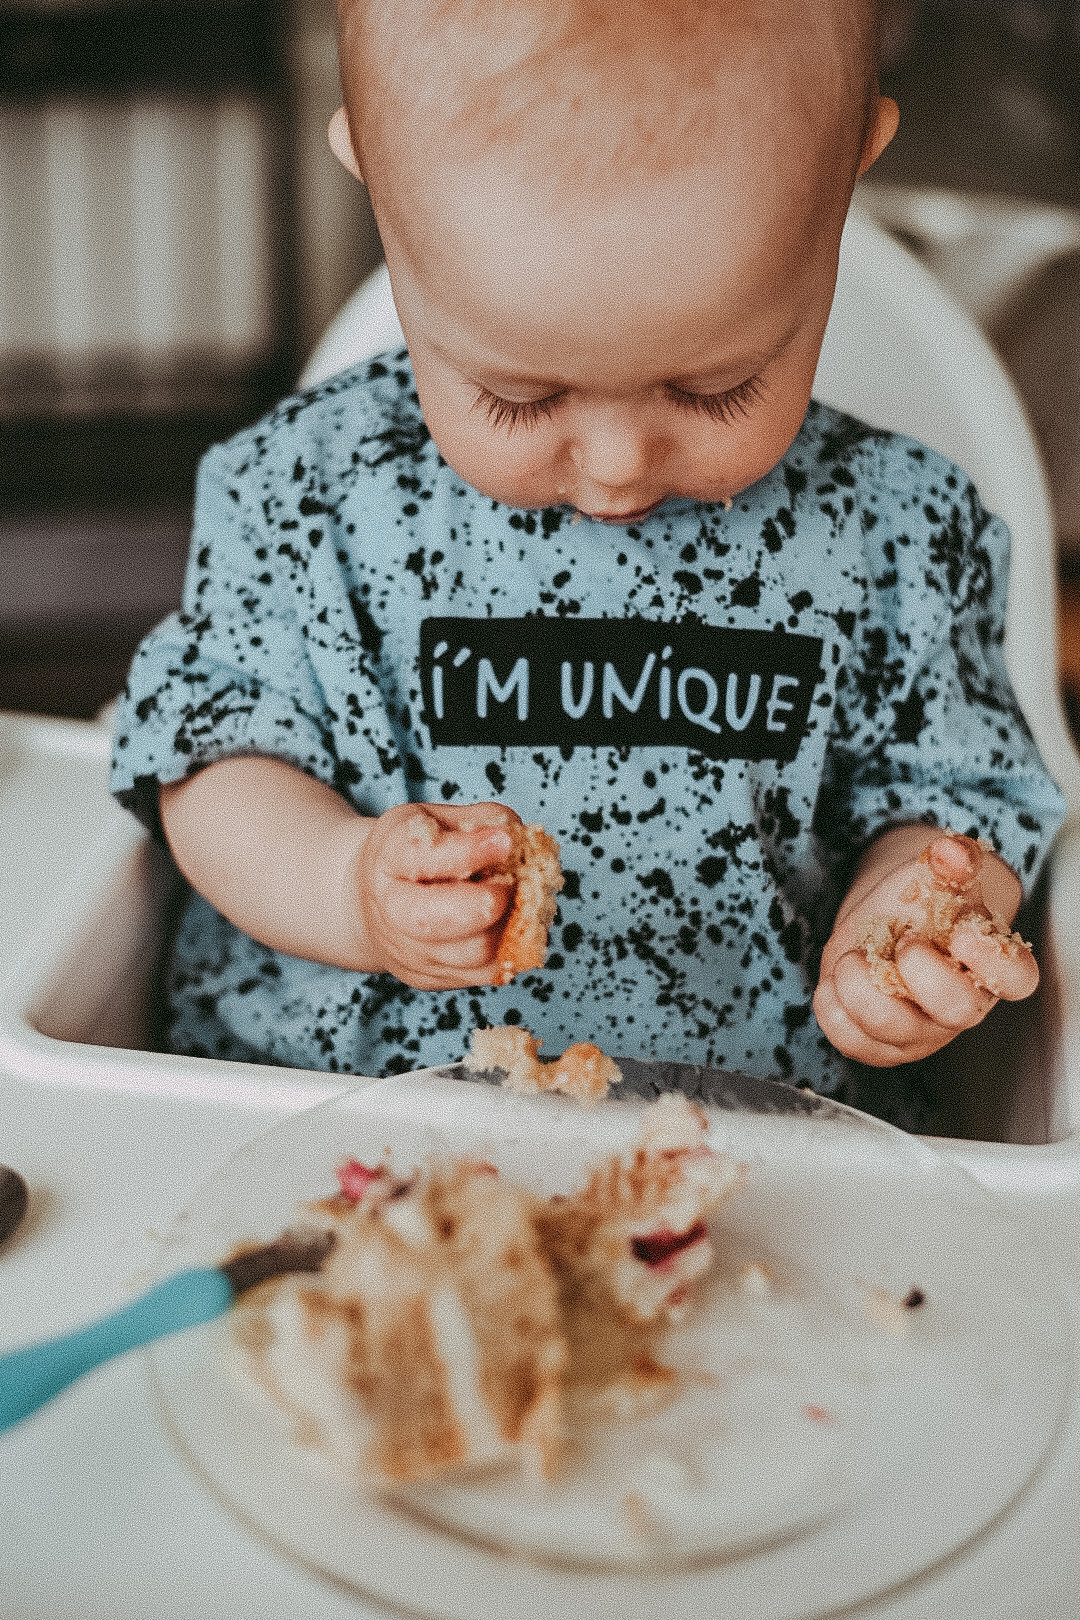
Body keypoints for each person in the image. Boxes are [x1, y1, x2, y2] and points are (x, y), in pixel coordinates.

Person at [110, 0, 1065, 1127]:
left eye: (716, 388)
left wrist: (914, 914)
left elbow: (965, 807)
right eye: (519, 395)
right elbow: (209, 766)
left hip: (769, 1151)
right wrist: (346, 885)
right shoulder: (302, 497)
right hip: (339, 1125)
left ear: (850, 171)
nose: (616, 469)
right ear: (372, 172)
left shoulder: (898, 532)